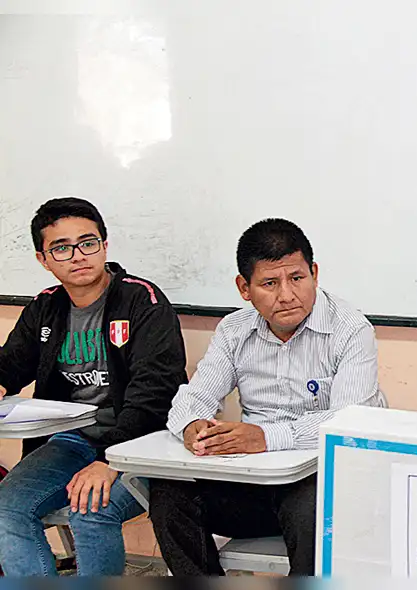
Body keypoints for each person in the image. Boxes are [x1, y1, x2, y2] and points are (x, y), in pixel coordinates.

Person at [148, 218, 387, 576]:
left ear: (315, 273)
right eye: (270, 283)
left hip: (319, 484)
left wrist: (265, 437)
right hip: (255, 485)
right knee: (169, 494)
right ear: (245, 288)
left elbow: (349, 421)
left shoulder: (350, 330)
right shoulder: (234, 330)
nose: (287, 295)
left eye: (297, 278)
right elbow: (193, 397)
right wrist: (194, 426)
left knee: (312, 504)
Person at [0, 197, 188, 576]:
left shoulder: (141, 300)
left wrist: (109, 460)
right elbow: (11, 366)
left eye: (88, 243)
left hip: (143, 444)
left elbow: (155, 395)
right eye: (62, 248)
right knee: (7, 507)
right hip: (73, 442)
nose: (78, 256)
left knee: (90, 510)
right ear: (43, 259)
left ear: (105, 245)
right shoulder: (45, 307)